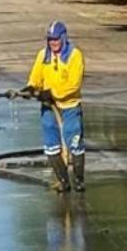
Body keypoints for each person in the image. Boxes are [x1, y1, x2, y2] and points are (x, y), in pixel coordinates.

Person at [19, 21, 86, 193]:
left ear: (63, 38)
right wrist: (31, 88)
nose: (53, 43)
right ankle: (63, 181)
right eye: (50, 39)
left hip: (70, 106)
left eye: (56, 39)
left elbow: (73, 84)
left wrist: (53, 93)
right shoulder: (43, 56)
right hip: (49, 107)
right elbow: (36, 78)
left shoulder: (75, 56)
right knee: (51, 144)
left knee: (74, 141)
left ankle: (79, 180)